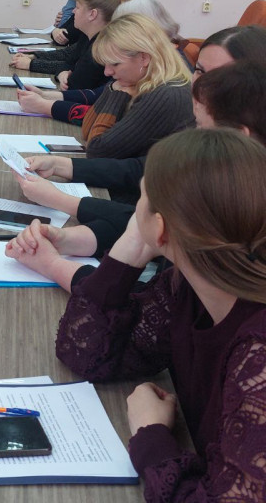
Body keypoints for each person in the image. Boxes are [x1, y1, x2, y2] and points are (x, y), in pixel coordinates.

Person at [51, 129, 266, 501]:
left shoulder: (258, 349)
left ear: (161, 226)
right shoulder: (188, 287)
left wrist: (151, 435)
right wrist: (131, 248)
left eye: (142, 197)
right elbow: (86, 353)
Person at [8, 60, 266, 281]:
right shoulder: (228, 179)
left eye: (199, 125)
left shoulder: (232, 203)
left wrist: (54, 265)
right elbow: (146, 224)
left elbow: (149, 305)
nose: (193, 79)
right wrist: (71, 239)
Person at [20, 23, 266, 205]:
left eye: (219, 76)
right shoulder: (149, 84)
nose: (200, 84)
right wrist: (61, 165)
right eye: (199, 71)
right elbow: (143, 166)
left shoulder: (167, 94)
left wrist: (64, 198)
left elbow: (99, 149)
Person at [18, 0, 187, 120]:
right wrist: (46, 96)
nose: (107, 72)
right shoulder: (137, 62)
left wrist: (46, 105)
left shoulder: (160, 80)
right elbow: (98, 95)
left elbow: (105, 124)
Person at [78, 13, 194, 159]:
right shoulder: (143, 83)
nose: (107, 72)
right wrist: (113, 88)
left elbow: (97, 151)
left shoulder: (165, 95)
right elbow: (87, 131)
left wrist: (117, 96)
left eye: (115, 64)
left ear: (144, 58)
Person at [10, 0, 133, 91]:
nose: (73, 11)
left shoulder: (101, 48)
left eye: (77, 7)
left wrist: (33, 64)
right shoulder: (87, 37)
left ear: (92, 14)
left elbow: (74, 84)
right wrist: (60, 73)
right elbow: (68, 62)